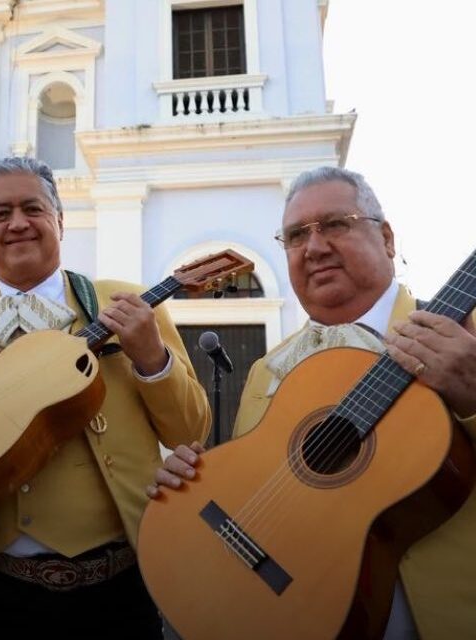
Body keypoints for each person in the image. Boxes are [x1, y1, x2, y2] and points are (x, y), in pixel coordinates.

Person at [149, 166, 476, 640]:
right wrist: (196, 484)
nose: (315, 246)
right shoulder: (268, 370)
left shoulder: (464, 334)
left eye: (336, 224)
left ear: (386, 238)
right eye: (296, 235)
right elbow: (265, 495)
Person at [0, 157, 211, 640]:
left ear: (60, 221)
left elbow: (190, 431)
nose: (18, 223)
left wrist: (151, 356)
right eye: (0, 212)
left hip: (119, 582)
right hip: (0, 586)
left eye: (33, 208)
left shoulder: (128, 304)